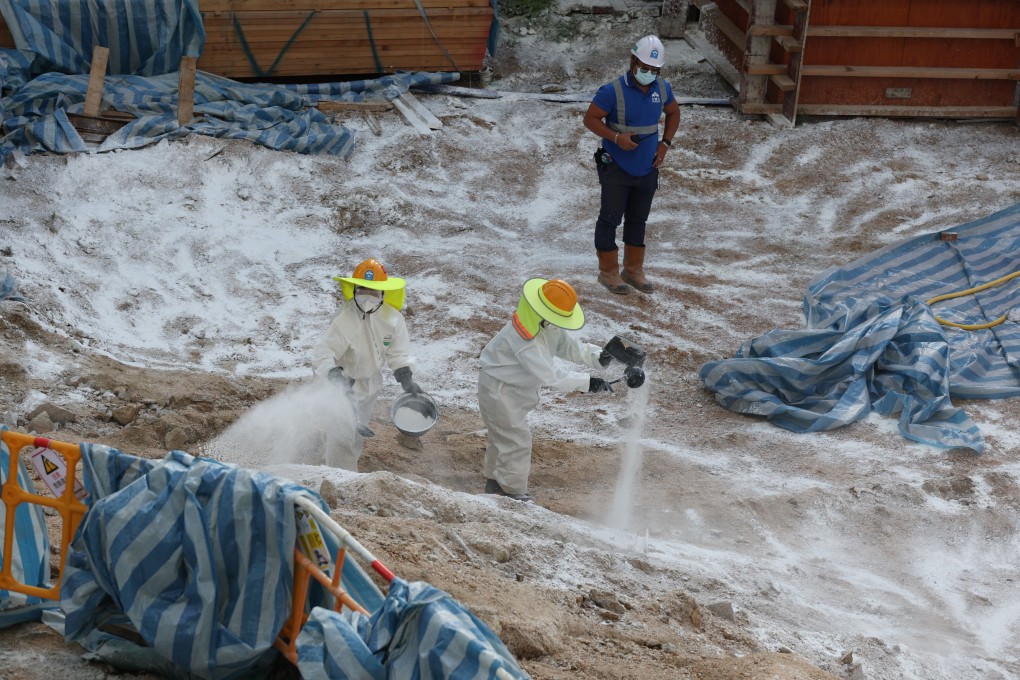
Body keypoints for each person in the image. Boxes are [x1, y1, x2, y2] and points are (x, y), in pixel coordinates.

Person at [478, 278, 615, 502]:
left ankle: (495, 483)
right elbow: (551, 375)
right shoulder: (526, 338)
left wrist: (597, 356)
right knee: (515, 440)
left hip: (512, 388)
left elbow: (565, 344)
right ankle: (511, 491)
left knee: (503, 437)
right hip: (500, 391)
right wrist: (588, 383)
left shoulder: (543, 321)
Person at [583, 35, 681, 295]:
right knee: (610, 218)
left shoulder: (662, 89)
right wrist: (615, 137)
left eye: (654, 70)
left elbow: (674, 112)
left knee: (638, 219)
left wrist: (665, 144)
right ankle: (608, 273)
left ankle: (633, 270)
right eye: (644, 67)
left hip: (647, 167)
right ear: (633, 61)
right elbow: (590, 119)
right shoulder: (611, 91)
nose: (648, 73)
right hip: (617, 167)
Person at [311, 258, 422, 470]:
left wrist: (405, 376)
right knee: (341, 433)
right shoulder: (344, 319)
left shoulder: (393, 319)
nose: (367, 297)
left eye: (373, 292)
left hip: (369, 382)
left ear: (383, 293)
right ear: (354, 290)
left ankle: (343, 468)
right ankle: (339, 480)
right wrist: (335, 376)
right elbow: (323, 353)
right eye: (362, 290)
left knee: (356, 434)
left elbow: (398, 352)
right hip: (338, 380)